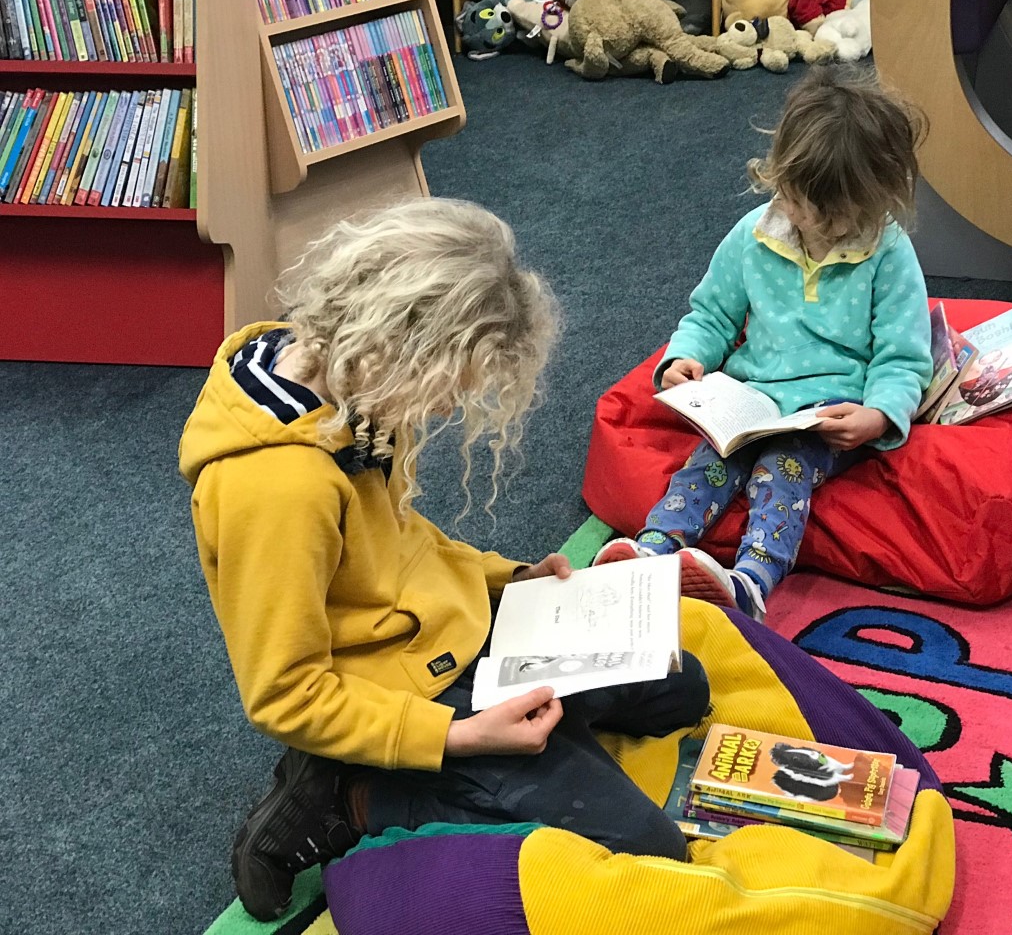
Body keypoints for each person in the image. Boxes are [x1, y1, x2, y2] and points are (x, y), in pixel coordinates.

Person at [178, 198, 710, 922]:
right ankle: (347, 796)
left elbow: (396, 536)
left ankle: (482, 761)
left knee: (681, 688)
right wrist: (461, 737)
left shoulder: (340, 378)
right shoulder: (276, 487)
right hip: (400, 684)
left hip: (447, 631)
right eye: (449, 386)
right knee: (649, 852)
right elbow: (284, 693)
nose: (448, 408)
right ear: (400, 345)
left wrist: (508, 576)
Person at [594, 66, 934, 622]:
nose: (813, 224)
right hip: (752, 400)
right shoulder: (753, 233)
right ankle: (654, 549)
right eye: (800, 204)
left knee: (783, 466)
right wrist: (688, 357)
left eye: (838, 217)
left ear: (875, 199)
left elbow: (902, 353)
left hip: (827, 415)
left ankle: (753, 580)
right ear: (782, 178)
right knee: (709, 463)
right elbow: (712, 313)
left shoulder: (889, 255)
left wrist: (877, 415)